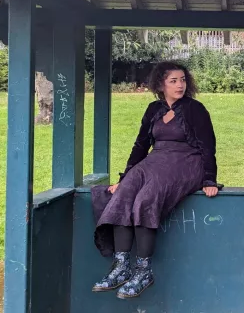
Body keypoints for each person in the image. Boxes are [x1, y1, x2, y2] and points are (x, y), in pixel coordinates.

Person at [90, 61, 222, 300]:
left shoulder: (196, 109)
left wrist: (210, 180)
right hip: (156, 160)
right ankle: (121, 268)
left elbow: (208, 147)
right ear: (161, 84)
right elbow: (141, 145)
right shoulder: (153, 109)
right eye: (173, 81)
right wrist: (125, 176)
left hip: (187, 161)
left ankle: (143, 271)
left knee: (146, 198)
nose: (180, 85)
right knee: (124, 194)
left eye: (183, 80)